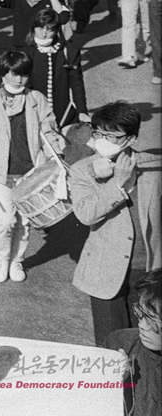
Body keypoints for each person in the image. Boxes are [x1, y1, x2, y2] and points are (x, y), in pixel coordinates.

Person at [70, 102, 161, 346]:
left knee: (147, 346)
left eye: (111, 136)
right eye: (98, 134)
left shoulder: (152, 168)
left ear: (130, 139)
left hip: (148, 272)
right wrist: (117, 184)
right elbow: (86, 214)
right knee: (111, 347)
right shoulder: (82, 170)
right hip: (105, 270)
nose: (102, 140)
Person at [0, 50, 64, 284]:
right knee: (4, 221)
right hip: (0, 174)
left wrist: (57, 156)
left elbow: (49, 130)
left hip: (31, 174)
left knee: (24, 222)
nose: (19, 79)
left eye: (23, 74)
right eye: (14, 74)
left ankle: (16, 260)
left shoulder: (37, 99)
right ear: (4, 74)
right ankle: (1, 259)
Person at [106, 270, 161, 416]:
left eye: (152, 320)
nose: (142, 325)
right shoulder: (120, 342)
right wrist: (116, 383)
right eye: (140, 313)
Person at [23, 8, 87, 127]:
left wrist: (82, 110)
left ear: (57, 30)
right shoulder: (26, 52)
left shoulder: (68, 51)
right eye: (40, 28)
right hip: (34, 112)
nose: (44, 34)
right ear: (33, 28)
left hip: (63, 113)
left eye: (49, 29)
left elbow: (76, 83)